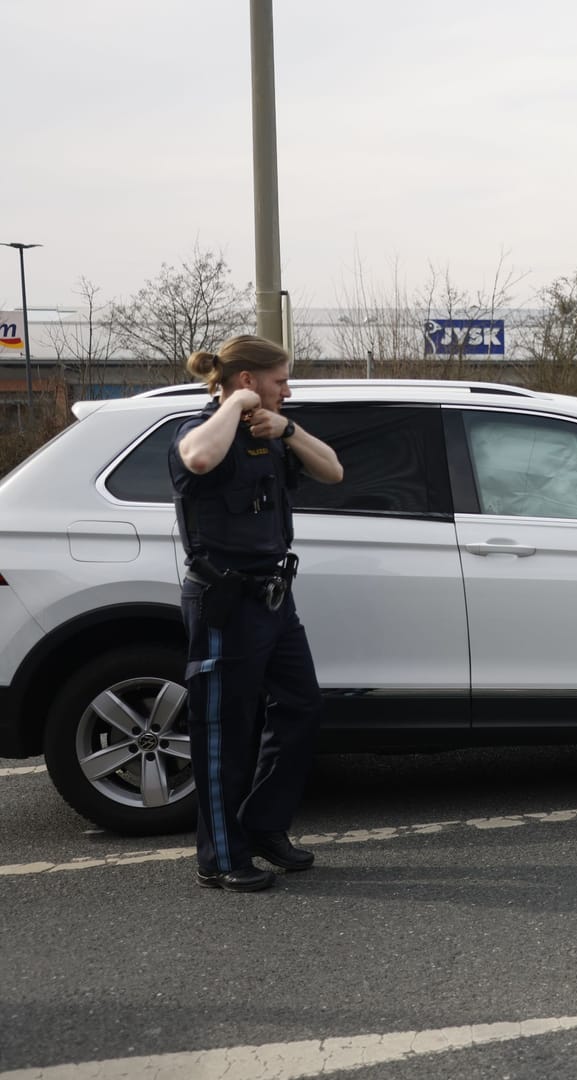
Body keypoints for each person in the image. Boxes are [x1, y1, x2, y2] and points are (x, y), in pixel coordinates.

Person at [169, 334, 343, 891]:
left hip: (273, 599)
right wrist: (236, 406)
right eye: (279, 382)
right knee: (224, 730)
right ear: (248, 381)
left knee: (301, 707)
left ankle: (263, 827)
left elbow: (333, 471)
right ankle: (220, 858)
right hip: (226, 602)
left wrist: (286, 429)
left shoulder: (273, 434)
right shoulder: (201, 432)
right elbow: (197, 458)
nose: (286, 392)